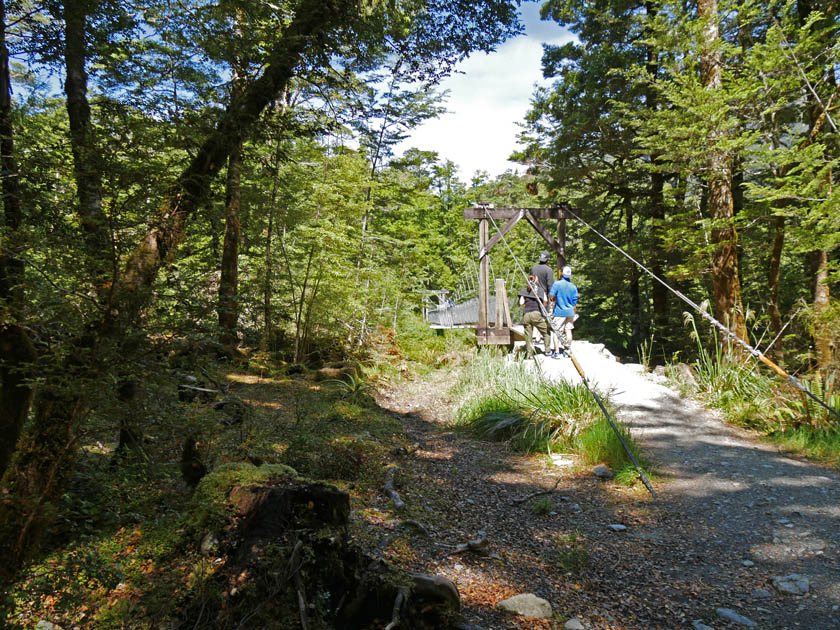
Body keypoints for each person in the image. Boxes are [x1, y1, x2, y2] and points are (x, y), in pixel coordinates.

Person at [518, 275, 551, 358]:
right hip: (536, 313)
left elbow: (521, 303)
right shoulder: (540, 290)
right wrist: (541, 305)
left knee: (528, 336)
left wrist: (526, 302)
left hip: (526, 314)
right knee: (546, 332)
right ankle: (547, 350)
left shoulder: (524, 290)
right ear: (537, 281)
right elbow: (546, 301)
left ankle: (530, 354)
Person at [549, 265, 578, 357]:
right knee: (568, 330)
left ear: (561, 274)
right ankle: (567, 350)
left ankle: (557, 352)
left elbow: (551, 296)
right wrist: (574, 313)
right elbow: (574, 302)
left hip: (559, 312)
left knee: (556, 331)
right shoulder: (573, 287)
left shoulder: (557, 284)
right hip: (570, 312)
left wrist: (554, 300)